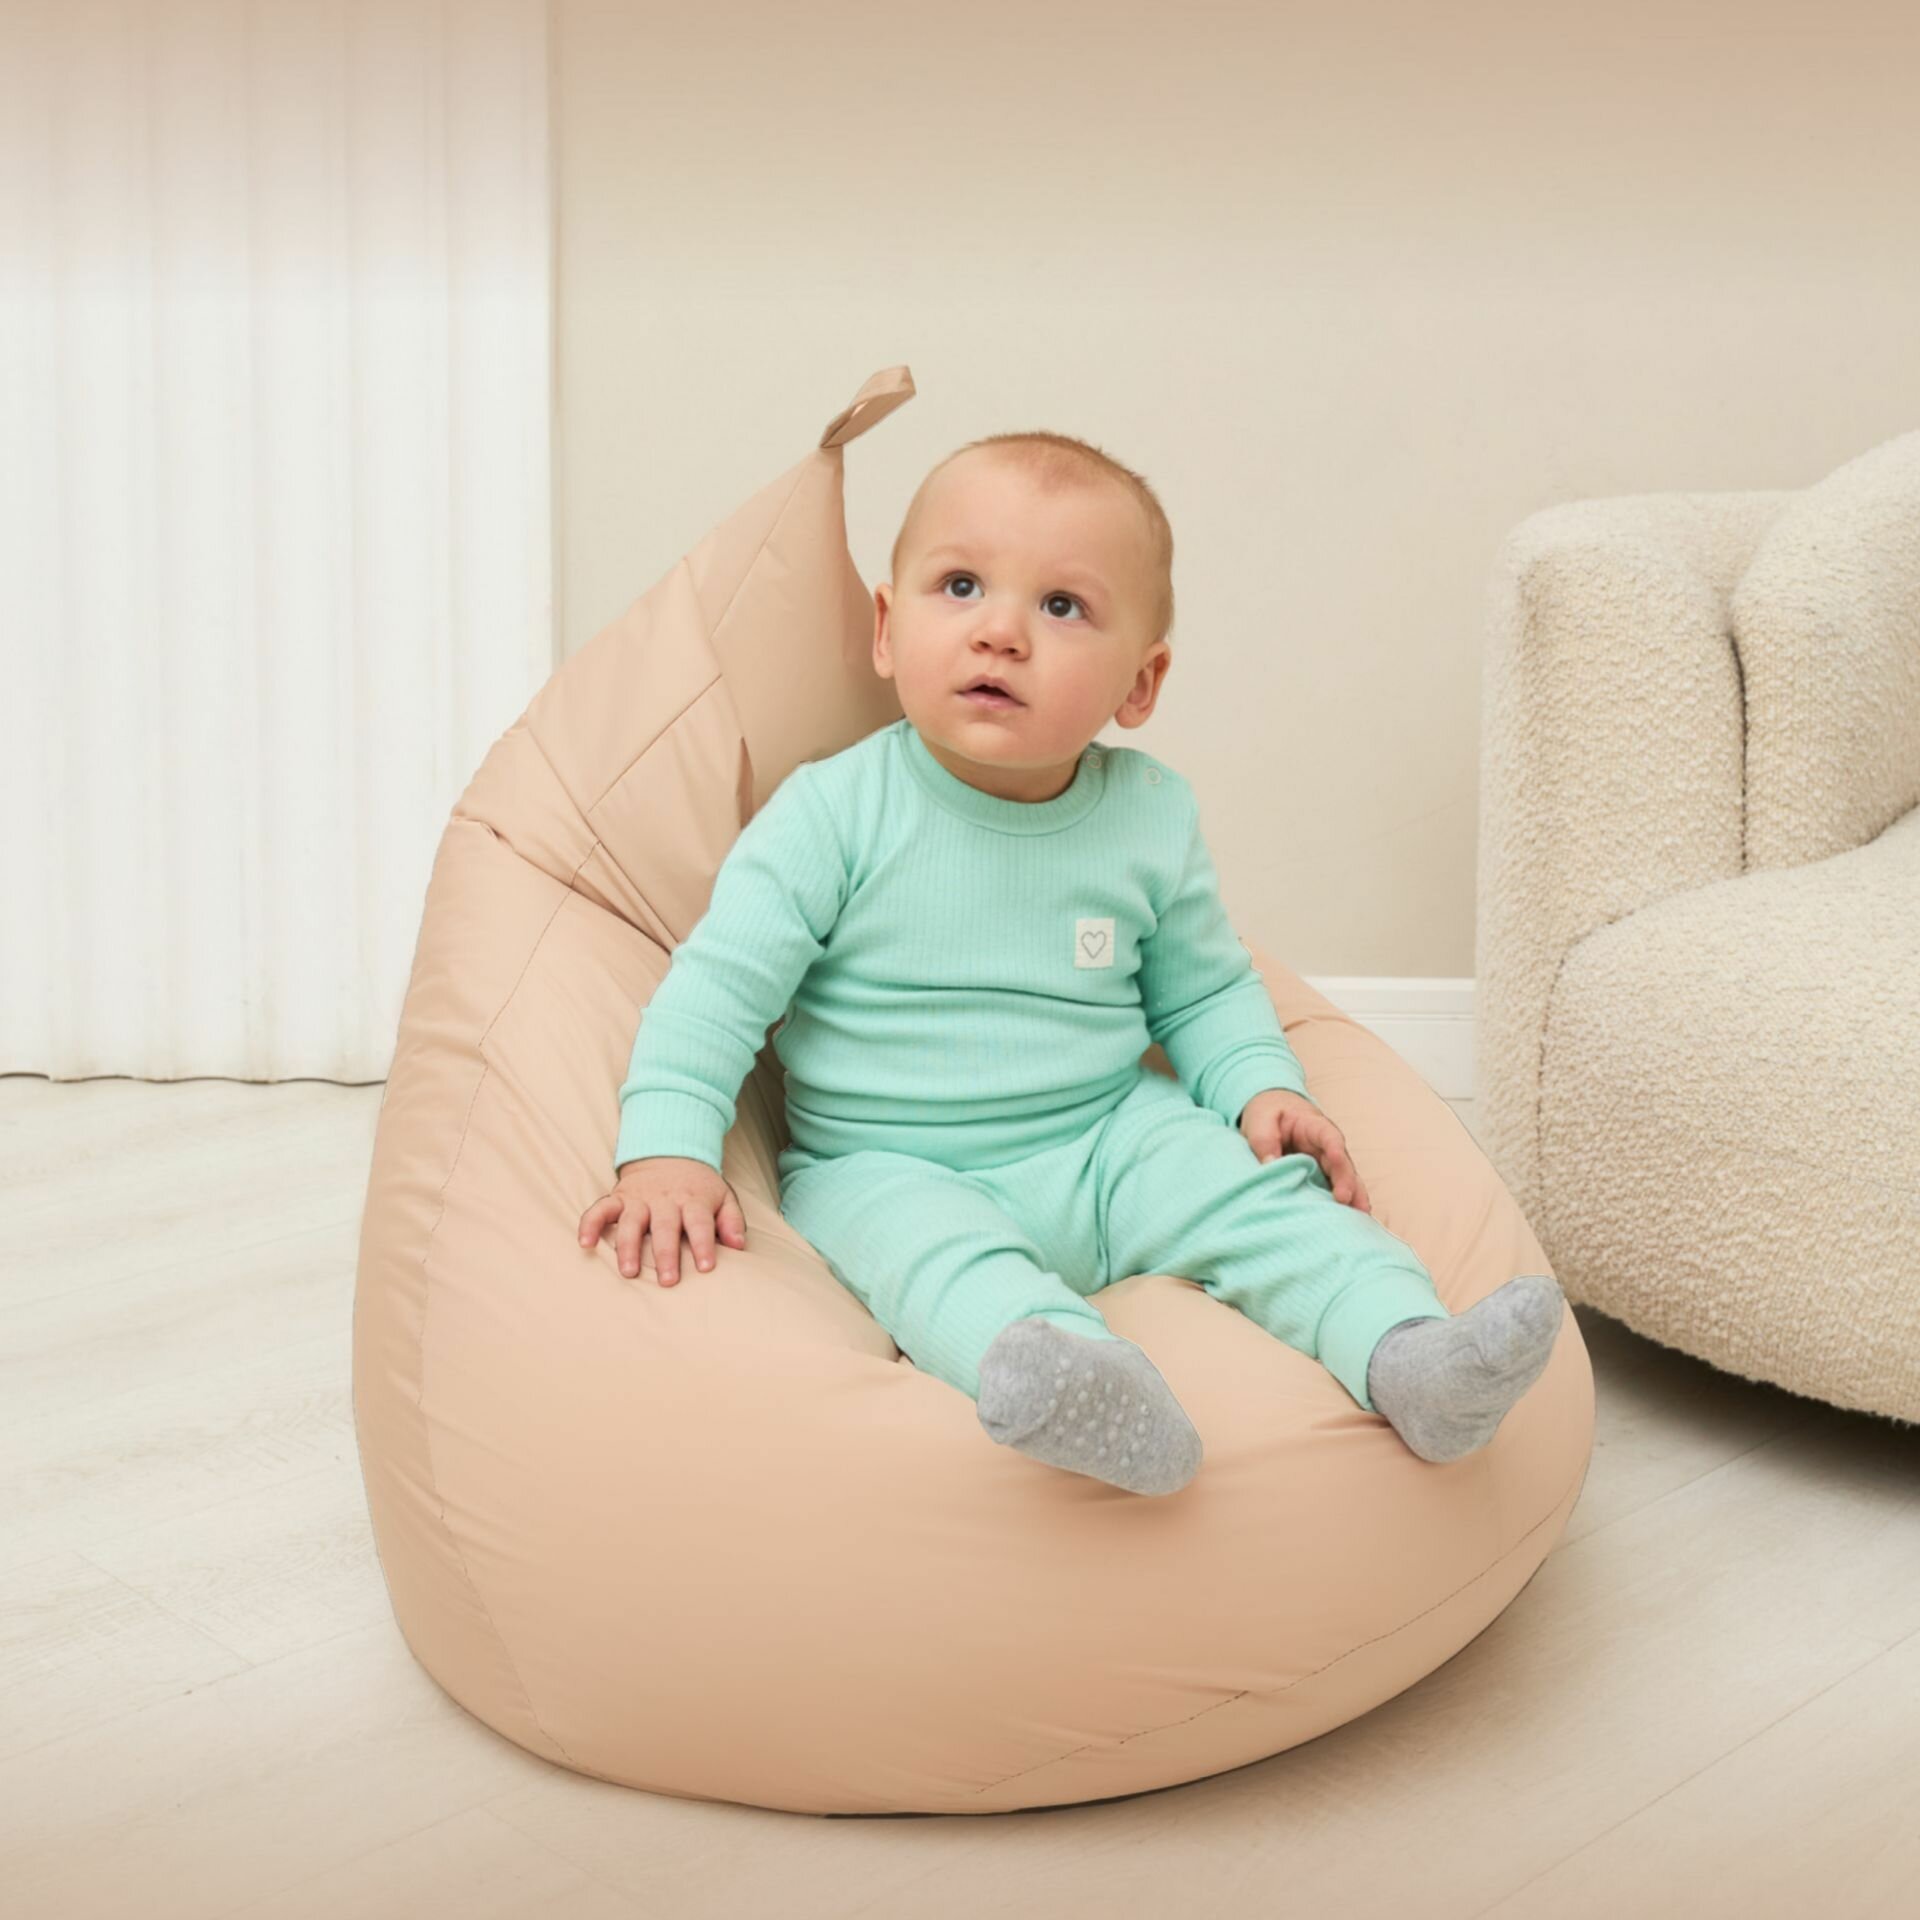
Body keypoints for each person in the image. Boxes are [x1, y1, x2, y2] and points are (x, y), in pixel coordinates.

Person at [578, 430, 1563, 1494]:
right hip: (889, 1161)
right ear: (886, 629)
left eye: (1061, 606)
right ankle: (1084, 1388)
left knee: (1266, 1201)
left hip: (1105, 1138)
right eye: (961, 586)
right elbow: (717, 992)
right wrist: (667, 1148)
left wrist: (1261, 1088)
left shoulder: (1148, 817)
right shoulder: (832, 814)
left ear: (1141, 683)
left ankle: (1411, 1353)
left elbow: (1205, 988)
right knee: (934, 1264)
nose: (1000, 632)